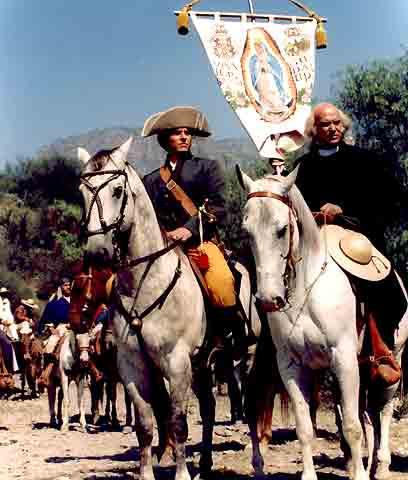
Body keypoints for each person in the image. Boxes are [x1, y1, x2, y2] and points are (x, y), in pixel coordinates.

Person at [295, 102, 407, 378]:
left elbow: (390, 200)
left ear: (343, 126)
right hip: (315, 242)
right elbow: (291, 208)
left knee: (385, 287)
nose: (333, 128)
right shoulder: (302, 167)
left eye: (337, 123)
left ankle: (379, 349)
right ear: (313, 131)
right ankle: (286, 353)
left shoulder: (365, 160)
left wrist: (344, 211)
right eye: (325, 124)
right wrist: (308, 214)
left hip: (357, 237)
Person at [142, 106, 248, 351]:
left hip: (200, 242)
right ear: (164, 140)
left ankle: (228, 338)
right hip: (163, 250)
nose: (184, 137)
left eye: (187, 133)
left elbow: (218, 207)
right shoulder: (150, 180)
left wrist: (188, 229)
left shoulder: (207, 167)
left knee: (222, 283)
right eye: (177, 133)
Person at [37, 277, 71, 389]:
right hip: (60, 328)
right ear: (61, 287)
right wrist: (51, 328)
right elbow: (46, 319)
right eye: (66, 285)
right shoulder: (54, 303)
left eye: (69, 284)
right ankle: (47, 372)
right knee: (51, 344)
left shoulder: (76, 300)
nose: (68, 287)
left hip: (75, 328)